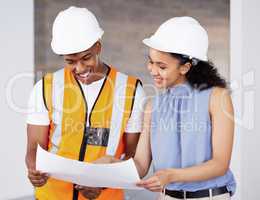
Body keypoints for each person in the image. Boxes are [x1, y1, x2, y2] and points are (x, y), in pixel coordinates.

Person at [105, 17, 236, 200]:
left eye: (162, 66)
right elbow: (141, 165)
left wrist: (172, 176)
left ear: (185, 67)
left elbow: (220, 164)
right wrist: (109, 163)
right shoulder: (153, 106)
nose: (152, 70)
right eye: (151, 62)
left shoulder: (217, 98)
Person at [25, 6, 145, 200]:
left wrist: (103, 184)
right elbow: (33, 148)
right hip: (52, 196)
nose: (79, 68)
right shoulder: (45, 87)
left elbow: (132, 158)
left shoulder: (131, 91)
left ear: (98, 47)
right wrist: (34, 170)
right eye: (70, 61)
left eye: (86, 58)